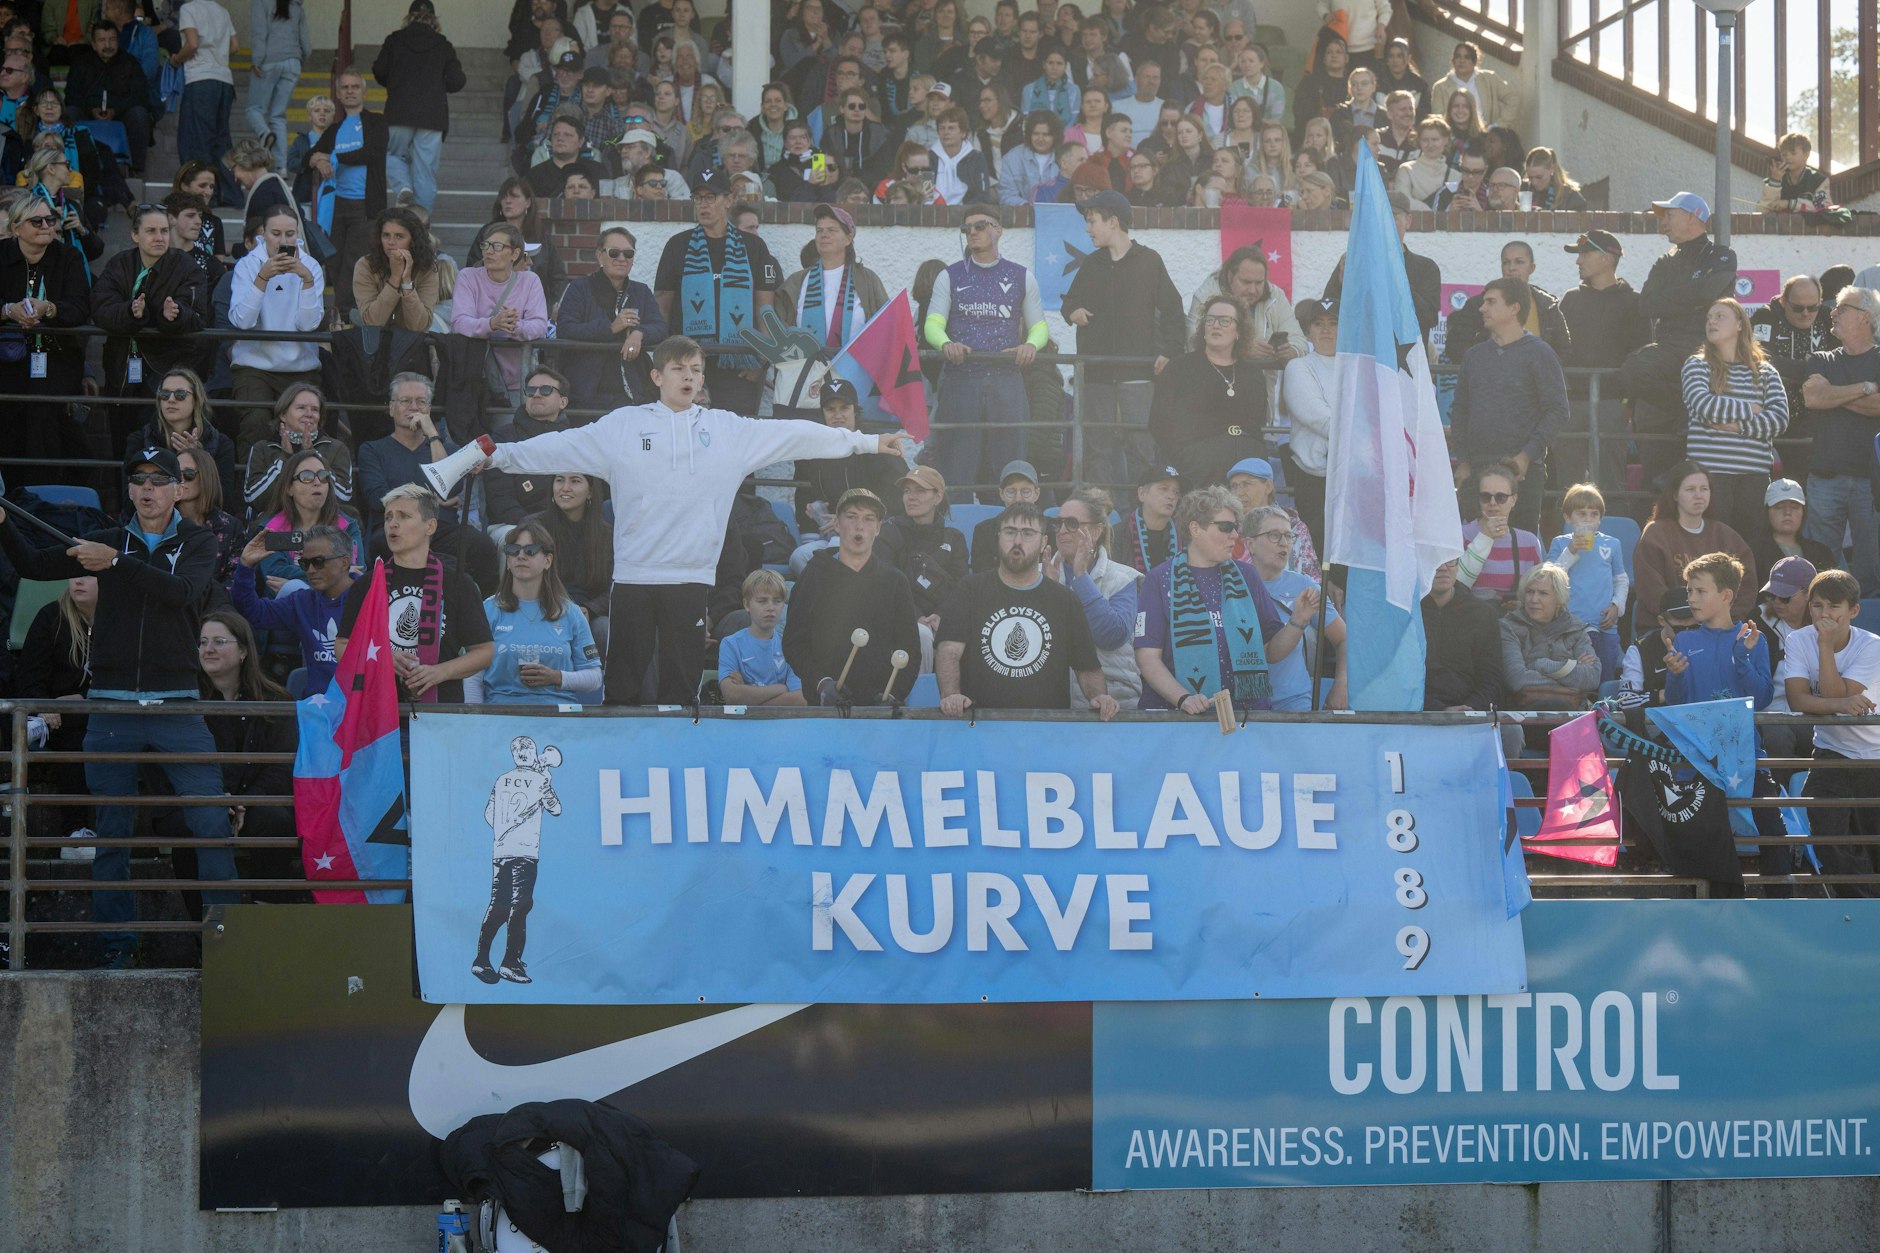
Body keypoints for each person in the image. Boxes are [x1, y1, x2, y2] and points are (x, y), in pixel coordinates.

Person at [485, 335, 911, 705]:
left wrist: (867, 441)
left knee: (680, 692)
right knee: (623, 690)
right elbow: (558, 446)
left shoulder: (728, 430)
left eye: (696, 369)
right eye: (678, 369)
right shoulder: (623, 426)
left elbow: (797, 434)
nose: (689, 377)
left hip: (691, 580)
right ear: (657, 377)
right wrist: (495, 456)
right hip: (634, 579)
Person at [0, 446, 234, 968]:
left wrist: (118, 564)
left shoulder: (197, 541)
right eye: (139, 479)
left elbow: (185, 593)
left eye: (160, 479)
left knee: (211, 825)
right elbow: (36, 565)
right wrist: (2, 523)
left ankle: (229, 951)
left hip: (178, 706)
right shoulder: (105, 540)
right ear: (128, 490)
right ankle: (118, 950)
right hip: (109, 706)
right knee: (112, 834)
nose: (148, 488)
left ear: (179, 488)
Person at [1663, 550, 1792, 893]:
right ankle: (1721, 912)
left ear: (1726, 596)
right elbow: (1677, 703)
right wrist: (1674, 677)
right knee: (1711, 840)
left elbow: (1761, 697)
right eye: (1689, 591)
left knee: (1772, 831)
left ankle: (1785, 910)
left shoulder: (1754, 638)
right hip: (1700, 759)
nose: (1690, 598)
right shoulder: (1685, 640)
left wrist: (1742, 659)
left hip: (1746, 755)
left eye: (1699, 591)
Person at [1134, 485, 1309, 714]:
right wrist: (1183, 698)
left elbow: (1271, 652)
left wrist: (1298, 622)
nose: (1235, 535)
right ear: (1195, 529)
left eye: (1236, 527)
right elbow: (1147, 658)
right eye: (1226, 527)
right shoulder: (1159, 579)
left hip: (1244, 718)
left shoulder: (1247, 575)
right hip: (1179, 719)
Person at [935, 501, 1117, 718]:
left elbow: (1087, 668)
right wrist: (951, 694)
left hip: (1046, 729)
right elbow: (949, 651)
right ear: (998, 537)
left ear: (1043, 543)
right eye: (1010, 532)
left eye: (1028, 533)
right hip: (979, 726)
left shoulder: (1064, 599)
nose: (1018, 541)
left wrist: (1099, 697)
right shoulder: (969, 589)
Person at [1061, 189, 1184, 490]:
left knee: (1142, 449)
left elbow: (1173, 311)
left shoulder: (1150, 261)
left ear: (1113, 222)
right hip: (1096, 376)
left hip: (1139, 376)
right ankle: (1101, 519)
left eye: (1092, 221)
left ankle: (1141, 519)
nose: (1087, 229)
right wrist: (1073, 310)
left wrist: (1169, 352)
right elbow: (1069, 302)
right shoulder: (1091, 264)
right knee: (1097, 452)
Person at [920, 206, 1046, 499]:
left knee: (1010, 465)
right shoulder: (948, 276)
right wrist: (945, 344)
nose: (973, 232)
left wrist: (1030, 344)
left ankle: (1011, 526)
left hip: (1007, 382)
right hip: (960, 381)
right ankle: (957, 535)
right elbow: (932, 324)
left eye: (980, 225)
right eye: (967, 229)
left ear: (998, 230)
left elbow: (1039, 326)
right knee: (956, 468)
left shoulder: (1021, 276)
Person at [1618, 191, 1739, 485]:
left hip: (1704, 348)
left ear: (1692, 216)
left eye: (1668, 215)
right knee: (1633, 369)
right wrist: (1693, 296)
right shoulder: (1665, 260)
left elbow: (1708, 293)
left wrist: (1676, 297)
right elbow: (1647, 305)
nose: (1662, 224)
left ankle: (1690, 415)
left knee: (1699, 483)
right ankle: (1688, 410)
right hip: (1669, 348)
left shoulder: (1721, 255)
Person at [337, 484, 494, 703]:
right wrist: (381, 658)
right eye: (389, 516)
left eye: (404, 516)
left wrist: (441, 672)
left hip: (440, 712)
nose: (393, 523)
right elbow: (342, 647)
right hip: (378, 713)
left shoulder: (459, 583)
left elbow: (484, 651)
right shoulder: (367, 584)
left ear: (430, 526)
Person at [183, 608, 300, 898]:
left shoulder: (276, 701)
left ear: (244, 651)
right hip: (203, 801)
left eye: (219, 642)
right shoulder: (184, 700)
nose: (208, 649)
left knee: (276, 821)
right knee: (187, 826)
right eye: (203, 642)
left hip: (256, 802)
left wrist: (242, 802)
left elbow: (282, 766)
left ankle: (266, 912)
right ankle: (203, 931)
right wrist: (217, 801)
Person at [1781, 568, 1880, 895]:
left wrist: (1824, 648)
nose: (1824, 614)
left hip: (1874, 758)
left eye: (1833, 607)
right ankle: (1863, 908)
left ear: (1853, 610)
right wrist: (1840, 702)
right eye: (1818, 605)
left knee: (1874, 845)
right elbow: (1797, 700)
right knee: (1827, 839)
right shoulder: (1797, 639)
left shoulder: (1872, 646)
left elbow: (1833, 694)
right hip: (1829, 752)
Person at [652, 170, 783, 414]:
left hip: (740, 365)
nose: (703, 204)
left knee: (735, 440)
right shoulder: (677, 245)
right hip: (686, 365)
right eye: (698, 198)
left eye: (710, 197)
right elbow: (662, 307)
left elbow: (765, 309)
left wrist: (762, 361)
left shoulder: (754, 247)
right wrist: (664, 363)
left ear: (729, 200)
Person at [1449, 276, 1568, 539]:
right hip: (1477, 469)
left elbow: (1558, 410)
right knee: (1472, 549)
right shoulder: (1473, 356)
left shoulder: (1540, 353)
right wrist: (1464, 462)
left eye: (1491, 302)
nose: (1482, 308)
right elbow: (1460, 411)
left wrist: (1526, 456)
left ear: (1514, 308)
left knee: (1521, 548)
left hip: (1522, 472)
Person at [783, 486, 923, 705]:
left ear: (878, 528)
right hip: (826, 708)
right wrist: (821, 683)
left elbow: (910, 650)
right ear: (837, 524)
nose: (860, 526)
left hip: (878, 712)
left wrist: (894, 694)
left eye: (869, 519)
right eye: (851, 517)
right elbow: (794, 643)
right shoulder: (814, 575)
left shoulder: (895, 581)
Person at [91, 205, 210, 451]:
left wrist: (173, 315)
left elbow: (198, 315)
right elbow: (100, 307)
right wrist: (130, 312)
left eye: (164, 231)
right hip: (121, 368)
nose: (159, 237)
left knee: (158, 443)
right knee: (121, 440)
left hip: (165, 368)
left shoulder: (186, 266)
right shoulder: (119, 264)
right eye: (151, 231)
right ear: (135, 235)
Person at [1681, 296, 1789, 543]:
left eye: (1720, 316)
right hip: (1710, 476)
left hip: (1754, 476)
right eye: (1709, 317)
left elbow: (1780, 420)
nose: (1712, 322)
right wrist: (1751, 408)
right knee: (1711, 548)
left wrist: (1737, 427)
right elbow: (1704, 406)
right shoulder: (1696, 365)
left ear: (1740, 324)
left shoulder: (1765, 371)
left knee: (1749, 548)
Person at [0, 194, 89, 487]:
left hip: (57, 359)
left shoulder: (69, 257)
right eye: (36, 221)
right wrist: (7, 310)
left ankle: (42, 502)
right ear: (16, 227)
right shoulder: (2, 254)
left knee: (45, 427)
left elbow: (79, 308)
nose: (45, 226)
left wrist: (49, 308)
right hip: (8, 360)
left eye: (50, 220)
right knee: (10, 425)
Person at [465, 518, 602, 706]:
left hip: (557, 717)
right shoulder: (488, 609)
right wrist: (476, 721)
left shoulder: (571, 612)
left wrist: (557, 677)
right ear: (507, 561)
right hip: (500, 715)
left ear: (548, 560)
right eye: (513, 550)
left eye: (530, 550)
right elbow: (472, 677)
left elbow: (594, 677)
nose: (521, 556)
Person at [1799, 287, 1880, 594]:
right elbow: (1813, 397)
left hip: (1871, 482)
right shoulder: (1822, 359)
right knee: (1822, 565)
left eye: (1841, 308)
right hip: (1825, 478)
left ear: (1866, 317)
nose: (1831, 313)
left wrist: (1833, 394)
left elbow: (1878, 406)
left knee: (1872, 565)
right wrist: (1866, 387)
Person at [227, 204, 324, 455]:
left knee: (305, 431)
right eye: (276, 233)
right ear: (264, 235)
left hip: (301, 366)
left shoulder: (311, 266)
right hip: (254, 366)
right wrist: (262, 278)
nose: (283, 240)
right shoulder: (247, 265)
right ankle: (250, 489)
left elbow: (309, 325)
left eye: (289, 234)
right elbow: (242, 321)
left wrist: (307, 281)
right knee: (255, 425)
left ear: (297, 235)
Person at [1151, 289, 1271, 487]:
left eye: (1225, 321)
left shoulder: (1252, 373)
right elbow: (1159, 422)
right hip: (1198, 465)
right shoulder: (1179, 368)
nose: (1216, 325)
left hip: (1248, 463)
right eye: (1210, 320)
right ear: (1203, 328)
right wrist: (1186, 458)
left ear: (1239, 331)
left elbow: (1257, 419)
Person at [1558, 229, 1647, 492]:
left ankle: (1611, 531)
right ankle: (1568, 533)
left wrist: (1628, 404)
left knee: (1610, 482)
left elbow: (1640, 357)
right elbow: (1558, 352)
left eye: (1585, 254)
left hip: (1612, 405)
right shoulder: (1570, 299)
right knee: (1567, 484)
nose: (1579, 261)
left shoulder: (1635, 302)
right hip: (1571, 404)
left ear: (1608, 259)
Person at [788, 377, 906, 574]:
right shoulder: (812, 449)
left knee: (837, 557)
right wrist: (814, 515)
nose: (838, 415)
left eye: (844, 408)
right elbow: (803, 496)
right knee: (799, 558)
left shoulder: (874, 444)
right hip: (829, 536)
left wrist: (852, 519)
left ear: (855, 410)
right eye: (830, 409)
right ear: (822, 413)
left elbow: (898, 495)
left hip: (873, 532)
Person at [16, 573, 96, 860]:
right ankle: (77, 832)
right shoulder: (51, 616)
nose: (78, 581)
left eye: (90, 576)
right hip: (54, 718)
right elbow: (28, 677)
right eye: (75, 574)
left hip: (99, 714)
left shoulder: (119, 620)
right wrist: (47, 705)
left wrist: (84, 701)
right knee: (75, 738)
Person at [1632, 460, 1758, 632]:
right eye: (1690, 489)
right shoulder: (1655, 533)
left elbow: (1746, 587)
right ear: (1675, 494)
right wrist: (1685, 617)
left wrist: (1719, 617)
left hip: (1717, 630)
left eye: (1704, 489)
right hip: (1666, 629)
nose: (1699, 495)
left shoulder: (1727, 536)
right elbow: (1651, 590)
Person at [229, 520, 355, 692]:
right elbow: (252, 612)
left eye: (318, 562)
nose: (310, 570)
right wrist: (245, 566)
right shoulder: (301, 602)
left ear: (344, 562)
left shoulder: (372, 598)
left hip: (361, 705)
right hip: (318, 709)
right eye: (305, 563)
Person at [1244, 504, 1346, 710]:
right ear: (1250, 544)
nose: (1284, 543)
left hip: (1293, 703)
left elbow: (1344, 638)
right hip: (1244, 704)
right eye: (1274, 535)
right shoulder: (1232, 584)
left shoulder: (1305, 586)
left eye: (1289, 536)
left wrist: (1342, 684)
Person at [552, 225, 665, 409]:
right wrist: (610, 327)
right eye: (614, 253)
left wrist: (639, 333)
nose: (622, 259)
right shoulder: (579, 288)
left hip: (631, 394)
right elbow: (565, 328)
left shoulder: (641, 291)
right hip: (587, 394)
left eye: (628, 254)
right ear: (599, 255)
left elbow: (660, 327)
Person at [306, 70, 390, 318]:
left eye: (355, 87)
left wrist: (332, 157)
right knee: (334, 260)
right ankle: (340, 311)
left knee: (354, 261)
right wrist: (315, 160)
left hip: (365, 205)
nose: (350, 91)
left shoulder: (376, 122)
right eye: (345, 88)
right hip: (336, 205)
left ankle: (342, 314)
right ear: (339, 95)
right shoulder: (334, 130)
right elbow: (306, 158)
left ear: (363, 92)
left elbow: (371, 152)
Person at [453, 221, 550, 401]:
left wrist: (514, 326)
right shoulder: (467, 276)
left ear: (515, 254)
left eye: (497, 246)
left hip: (514, 379)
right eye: (486, 245)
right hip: (473, 376)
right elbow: (459, 323)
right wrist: (492, 323)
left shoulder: (530, 280)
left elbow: (539, 325)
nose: (489, 251)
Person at [1544, 483, 1629, 681]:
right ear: (1567, 517)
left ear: (1600, 518)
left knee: (1605, 675)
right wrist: (1571, 550)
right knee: (1575, 677)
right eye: (1581, 513)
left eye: (1594, 514)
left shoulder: (1612, 544)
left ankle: (1603, 709)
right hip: (1569, 625)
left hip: (1604, 624)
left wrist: (1617, 606)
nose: (1588, 519)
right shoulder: (1559, 543)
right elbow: (1550, 577)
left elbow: (1621, 580)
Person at [876, 462, 969, 641]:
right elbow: (887, 585)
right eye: (907, 491)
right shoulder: (888, 532)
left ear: (937, 497)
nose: (911, 497)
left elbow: (961, 586)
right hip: (901, 617)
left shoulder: (954, 538)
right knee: (923, 635)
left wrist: (941, 615)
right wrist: (917, 617)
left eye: (920, 491)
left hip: (943, 617)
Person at [484, 366, 583, 531]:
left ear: (563, 402)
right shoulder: (503, 437)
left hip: (567, 524)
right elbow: (500, 499)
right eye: (531, 390)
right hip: (513, 526)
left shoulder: (576, 440)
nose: (536, 394)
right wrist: (534, 529)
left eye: (546, 390)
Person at [357, 372, 456, 536]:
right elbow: (378, 499)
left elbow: (448, 488)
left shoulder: (447, 450)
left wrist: (432, 433)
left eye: (421, 401)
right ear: (391, 408)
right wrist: (433, 501)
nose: (414, 407)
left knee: (480, 545)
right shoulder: (372, 450)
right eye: (405, 401)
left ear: (429, 409)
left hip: (439, 529)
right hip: (393, 528)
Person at [1441, 241, 1572, 363]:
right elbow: (1455, 346)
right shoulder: (1478, 305)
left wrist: (1543, 371)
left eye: (1519, 262)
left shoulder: (1548, 305)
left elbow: (1564, 351)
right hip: (1491, 381)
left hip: (1535, 383)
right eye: (1506, 262)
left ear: (1532, 268)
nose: (1511, 268)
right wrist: (1484, 367)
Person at [1499, 562, 1599, 710]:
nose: (1533, 599)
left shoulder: (1576, 629)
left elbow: (1592, 677)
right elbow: (1517, 679)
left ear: (1559, 599)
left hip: (1571, 716)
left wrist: (1540, 664)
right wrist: (1572, 670)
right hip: (1523, 715)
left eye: (1543, 593)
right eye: (1529, 592)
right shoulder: (1508, 627)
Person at [243, 382, 353, 516]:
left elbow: (343, 498)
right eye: (301, 408)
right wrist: (284, 458)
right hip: (274, 528)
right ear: (283, 414)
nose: (309, 414)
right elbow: (253, 498)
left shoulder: (336, 448)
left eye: (315, 409)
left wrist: (313, 457)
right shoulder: (263, 448)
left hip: (321, 528)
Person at [124, 365, 235, 492]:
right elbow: (129, 499)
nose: (171, 400)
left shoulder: (221, 444)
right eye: (164, 394)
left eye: (180, 394)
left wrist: (198, 460)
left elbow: (224, 501)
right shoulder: (139, 441)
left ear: (196, 399)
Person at [64, 19, 151, 176]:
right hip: (88, 112)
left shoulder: (130, 63)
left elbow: (140, 96)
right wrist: (92, 110)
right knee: (70, 112)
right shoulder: (81, 63)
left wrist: (115, 110)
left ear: (118, 41)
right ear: (93, 44)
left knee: (139, 113)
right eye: (102, 40)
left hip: (120, 114)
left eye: (112, 40)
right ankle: (69, 166)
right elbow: (71, 96)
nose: (108, 45)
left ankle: (135, 170)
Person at [713, 568, 805, 707]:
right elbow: (733, 696)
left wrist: (749, 696)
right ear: (746, 604)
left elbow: (799, 700)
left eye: (777, 601)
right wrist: (782, 688)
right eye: (762, 601)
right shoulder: (730, 644)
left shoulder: (790, 646)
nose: (771, 608)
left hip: (782, 726)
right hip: (742, 726)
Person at [171, 0, 236, 196]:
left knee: (196, 140)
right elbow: (234, 47)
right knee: (221, 139)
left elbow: (192, 43)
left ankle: (202, 193)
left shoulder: (188, 9)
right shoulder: (223, 11)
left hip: (200, 80)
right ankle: (231, 193)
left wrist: (176, 59)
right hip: (224, 80)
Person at [1457, 462, 1542, 609]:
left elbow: (1539, 593)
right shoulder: (1462, 535)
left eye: (1501, 497)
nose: (1492, 503)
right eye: (1485, 497)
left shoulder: (1529, 542)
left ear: (1513, 500)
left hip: (1513, 624)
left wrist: (1523, 605)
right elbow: (1457, 586)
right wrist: (1485, 537)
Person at [1751, 274, 1837, 419]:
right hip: (1774, 414)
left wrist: (1790, 369)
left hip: (1819, 418)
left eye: (1812, 307)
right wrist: (1812, 367)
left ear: (1820, 302)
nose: (1805, 313)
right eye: (1798, 308)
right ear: (1783, 301)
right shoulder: (1765, 316)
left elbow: (1843, 363)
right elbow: (1759, 360)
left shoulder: (1827, 317)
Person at [1421, 558, 1503, 711]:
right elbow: (1397, 679)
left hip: (1474, 713)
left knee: (1513, 732)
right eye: (1435, 560)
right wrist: (1438, 710)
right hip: (1417, 715)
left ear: (1458, 565)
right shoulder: (1405, 614)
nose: (1443, 568)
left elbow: (1492, 677)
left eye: (1450, 560)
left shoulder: (1483, 613)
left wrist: (1471, 709)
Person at [1226, 457, 1320, 579]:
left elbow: (1313, 579)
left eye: (1246, 484)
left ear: (1268, 487)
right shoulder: (1229, 527)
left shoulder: (1294, 526)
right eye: (1234, 486)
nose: (1239, 492)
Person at [245, 0, 308, 159]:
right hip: (293, 63)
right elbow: (306, 44)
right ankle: (282, 167)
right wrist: (299, 59)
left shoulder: (261, 3)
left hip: (269, 61)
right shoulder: (297, 6)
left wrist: (257, 60)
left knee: (254, 109)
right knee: (278, 115)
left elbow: (259, 32)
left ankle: (264, 133)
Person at [1750, 477, 1834, 581]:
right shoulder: (1753, 553)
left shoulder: (1822, 553)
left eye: (1795, 507)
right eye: (1779, 507)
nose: (1787, 512)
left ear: (1804, 512)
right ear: (1767, 512)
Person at [966, 459, 1042, 573]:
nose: (1018, 499)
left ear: (1037, 494)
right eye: (1011, 492)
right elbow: (982, 578)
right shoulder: (984, 531)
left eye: (1025, 492)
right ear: (1001, 494)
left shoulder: (1051, 529)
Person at [1427, 39, 1516, 129]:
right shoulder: (1440, 87)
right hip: (1455, 139)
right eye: (1458, 57)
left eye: (1467, 57)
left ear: (1474, 61)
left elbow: (1512, 98)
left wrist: (1498, 126)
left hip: (1486, 136)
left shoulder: (1489, 79)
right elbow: (1439, 119)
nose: (1462, 61)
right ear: (1453, 61)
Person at [1113, 462, 1181, 576]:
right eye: (1164, 489)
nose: (1171, 496)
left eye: (1176, 492)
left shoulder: (1185, 536)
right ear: (1142, 494)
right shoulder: (1117, 535)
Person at [1758, 131, 1830, 214]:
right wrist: (1775, 182)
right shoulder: (1771, 181)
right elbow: (1762, 211)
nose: (1788, 157)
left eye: (1793, 153)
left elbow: (1823, 208)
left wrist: (1789, 204)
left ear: (1806, 155)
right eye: (1784, 155)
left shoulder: (1819, 180)